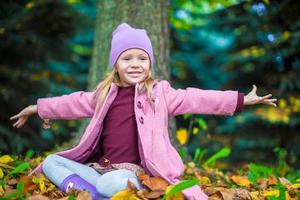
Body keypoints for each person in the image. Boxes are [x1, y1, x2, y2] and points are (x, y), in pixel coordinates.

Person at [10, 23, 277, 200]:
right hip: (98, 170)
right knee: (51, 163)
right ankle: (89, 194)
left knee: (111, 185)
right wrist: (38, 107)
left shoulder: (160, 93)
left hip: (132, 175)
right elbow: (72, 103)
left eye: (142, 58)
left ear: (150, 63)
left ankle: (102, 193)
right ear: (116, 64)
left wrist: (241, 100)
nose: (135, 64)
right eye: (127, 58)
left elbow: (198, 98)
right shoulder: (104, 94)